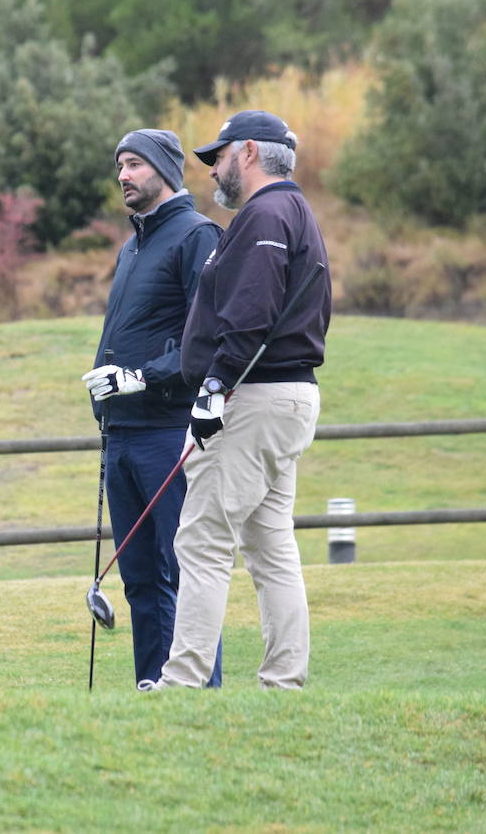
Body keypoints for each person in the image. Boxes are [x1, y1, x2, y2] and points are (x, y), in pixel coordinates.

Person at [150, 110, 332, 691]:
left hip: (250, 398)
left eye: (219, 156)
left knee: (201, 541)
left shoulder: (265, 214)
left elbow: (250, 313)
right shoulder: (293, 211)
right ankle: (284, 683)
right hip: (286, 396)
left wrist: (213, 388)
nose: (213, 170)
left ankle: (182, 682)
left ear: (248, 152)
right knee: (270, 546)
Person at [80, 129, 223, 688]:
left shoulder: (196, 235)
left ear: (164, 169)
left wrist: (138, 378)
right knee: (139, 576)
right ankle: (152, 688)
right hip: (122, 434)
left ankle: (197, 691)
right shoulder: (133, 244)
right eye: (119, 165)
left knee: (181, 571)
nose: (123, 176)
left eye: (135, 164)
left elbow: (202, 339)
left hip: (168, 431)